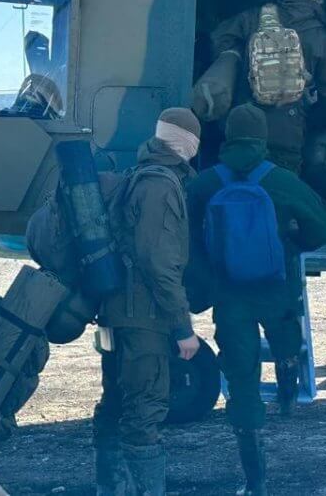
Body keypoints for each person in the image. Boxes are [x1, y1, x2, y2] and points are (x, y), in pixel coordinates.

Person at [186, 104, 326, 496]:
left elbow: (183, 235)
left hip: (228, 294)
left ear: (228, 136)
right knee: (286, 339)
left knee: (240, 373)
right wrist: (291, 241)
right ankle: (287, 393)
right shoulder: (280, 180)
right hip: (274, 286)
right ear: (263, 136)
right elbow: (320, 227)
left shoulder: (205, 184)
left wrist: (206, 277)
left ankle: (256, 481)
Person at [93, 107, 203, 496]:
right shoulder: (161, 185)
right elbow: (159, 262)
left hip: (120, 312)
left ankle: (110, 488)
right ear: (186, 143)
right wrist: (182, 327)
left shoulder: (141, 174)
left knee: (116, 404)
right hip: (144, 318)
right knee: (144, 411)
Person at [201, 0, 326, 172]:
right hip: (288, 133)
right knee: (281, 190)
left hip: (244, 125)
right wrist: (312, 116)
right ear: (318, 4)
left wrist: (240, 62)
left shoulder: (254, 17)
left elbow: (216, 40)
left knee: (237, 183)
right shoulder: (321, 37)